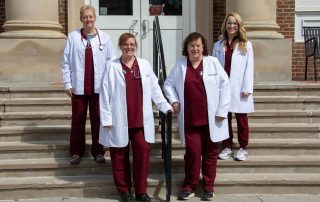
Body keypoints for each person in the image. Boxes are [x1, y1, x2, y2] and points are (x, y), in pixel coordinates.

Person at [99, 33, 172, 202]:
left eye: (132, 44)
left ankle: (141, 191)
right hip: (118, 119)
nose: (129, 47)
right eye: (125, 44)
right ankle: (124, 191)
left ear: (136, 46)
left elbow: (155, 89)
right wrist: (107, 118)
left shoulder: (144, 65)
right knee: (118, 156)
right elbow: (104, 94)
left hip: (140, 120)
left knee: (143, 153)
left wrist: (165, 106)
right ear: (120, 46)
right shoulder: (111, 66)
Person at [163, 32, 230, 201]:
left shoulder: (213, 63)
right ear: (186, 47)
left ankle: (208, 187)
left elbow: (225, 85)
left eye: (198, 45)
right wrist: (174, 101)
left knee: (210, 153)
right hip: (190, 119)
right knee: (193, 153)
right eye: (191, 45)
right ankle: (190, 185)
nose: (195, 49)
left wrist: (222, 110)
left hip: (212, 119)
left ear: (203, 47)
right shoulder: (180, 66)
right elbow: (168, 84)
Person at [61, 5, 115, 164]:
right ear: (81, 19)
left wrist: (110, 86)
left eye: (90, 16)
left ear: (95, 18)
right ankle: (76, 152)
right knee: (78, 119)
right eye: (85, 17)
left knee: (98, 120)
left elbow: (111, 63)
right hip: (79, 87)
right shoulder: (72, 37)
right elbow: (65, 63)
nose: (88, 20)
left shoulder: (104, 38)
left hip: (99, 88)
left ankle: (98, 152)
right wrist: (67, 83)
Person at [212, 12, 254, 161]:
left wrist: (247, 88)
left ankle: (243, 148)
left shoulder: (246, 45)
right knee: (225, 117)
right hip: (223, 87)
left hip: (239, 88)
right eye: (229, 23)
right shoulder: (217, 45)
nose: (231, 26)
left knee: (241, 119)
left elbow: (249, 68)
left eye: (235, 23)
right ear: (225, 25)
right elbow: (214, 68)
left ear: (239, 26)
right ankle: (228, 146)